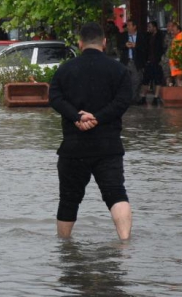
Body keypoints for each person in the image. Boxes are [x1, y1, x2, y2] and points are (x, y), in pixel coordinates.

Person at [49, 22, 133, 240]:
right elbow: (124, 100)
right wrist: (99, 117)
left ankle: (65, 249)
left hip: (73, 147)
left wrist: (77, 117)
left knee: (68, 199)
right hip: (108, 146)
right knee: (116, 194)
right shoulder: (119, 70)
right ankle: (125, 244)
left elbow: (54, 98)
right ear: (104, 42)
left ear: (80, 43)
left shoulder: (65, 70)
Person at [118, 20, 147, 103]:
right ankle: (125, 98)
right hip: (126, 61)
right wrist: (125, 46)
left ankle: (133, 98)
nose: (128, 27)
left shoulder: (141, 36)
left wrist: (136, 46)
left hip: (136, 61)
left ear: (134, 27)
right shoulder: (123, 35)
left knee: (136, 80)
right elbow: (119, 46)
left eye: (130, 25)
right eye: (127, 25)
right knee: (125, 80)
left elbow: (145, 48)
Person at [139, 21, 165, 105]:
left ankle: (156, 97)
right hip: (149, 60)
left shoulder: (160, 36)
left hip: (157, 60)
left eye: (150, 27)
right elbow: (144, 48)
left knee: (158, 79)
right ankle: (143, 97)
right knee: (145, 79)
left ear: (155, 27)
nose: (149, 28)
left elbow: (162, 48)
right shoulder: (147, 36)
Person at [167, 21, 182, 87]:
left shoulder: (181, 38)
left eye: (173, 30)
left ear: (178, 30)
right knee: (176, 80)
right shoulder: (176, 38)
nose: (172, 32)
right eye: (172, 30)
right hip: (174, 62)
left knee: (179, 79)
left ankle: (181, 95)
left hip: (178, 62)